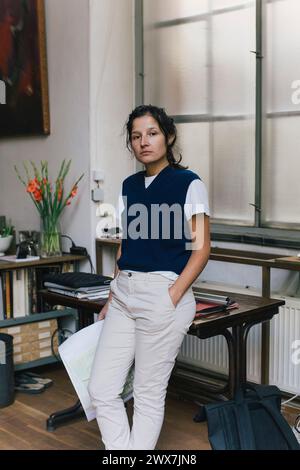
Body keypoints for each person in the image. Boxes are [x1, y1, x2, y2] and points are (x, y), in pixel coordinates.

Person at [88, 104, 211, 450]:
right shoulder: (128, 186)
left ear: (168, 136)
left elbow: (201, 249)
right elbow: (126, 248)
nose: (144, 142)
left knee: (146, 394)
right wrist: (112, 298)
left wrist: (171, 295)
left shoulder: (189, 183)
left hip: (163, 293)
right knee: (101, 388)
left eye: (152, 133)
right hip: (124, 293)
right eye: (136, 136)